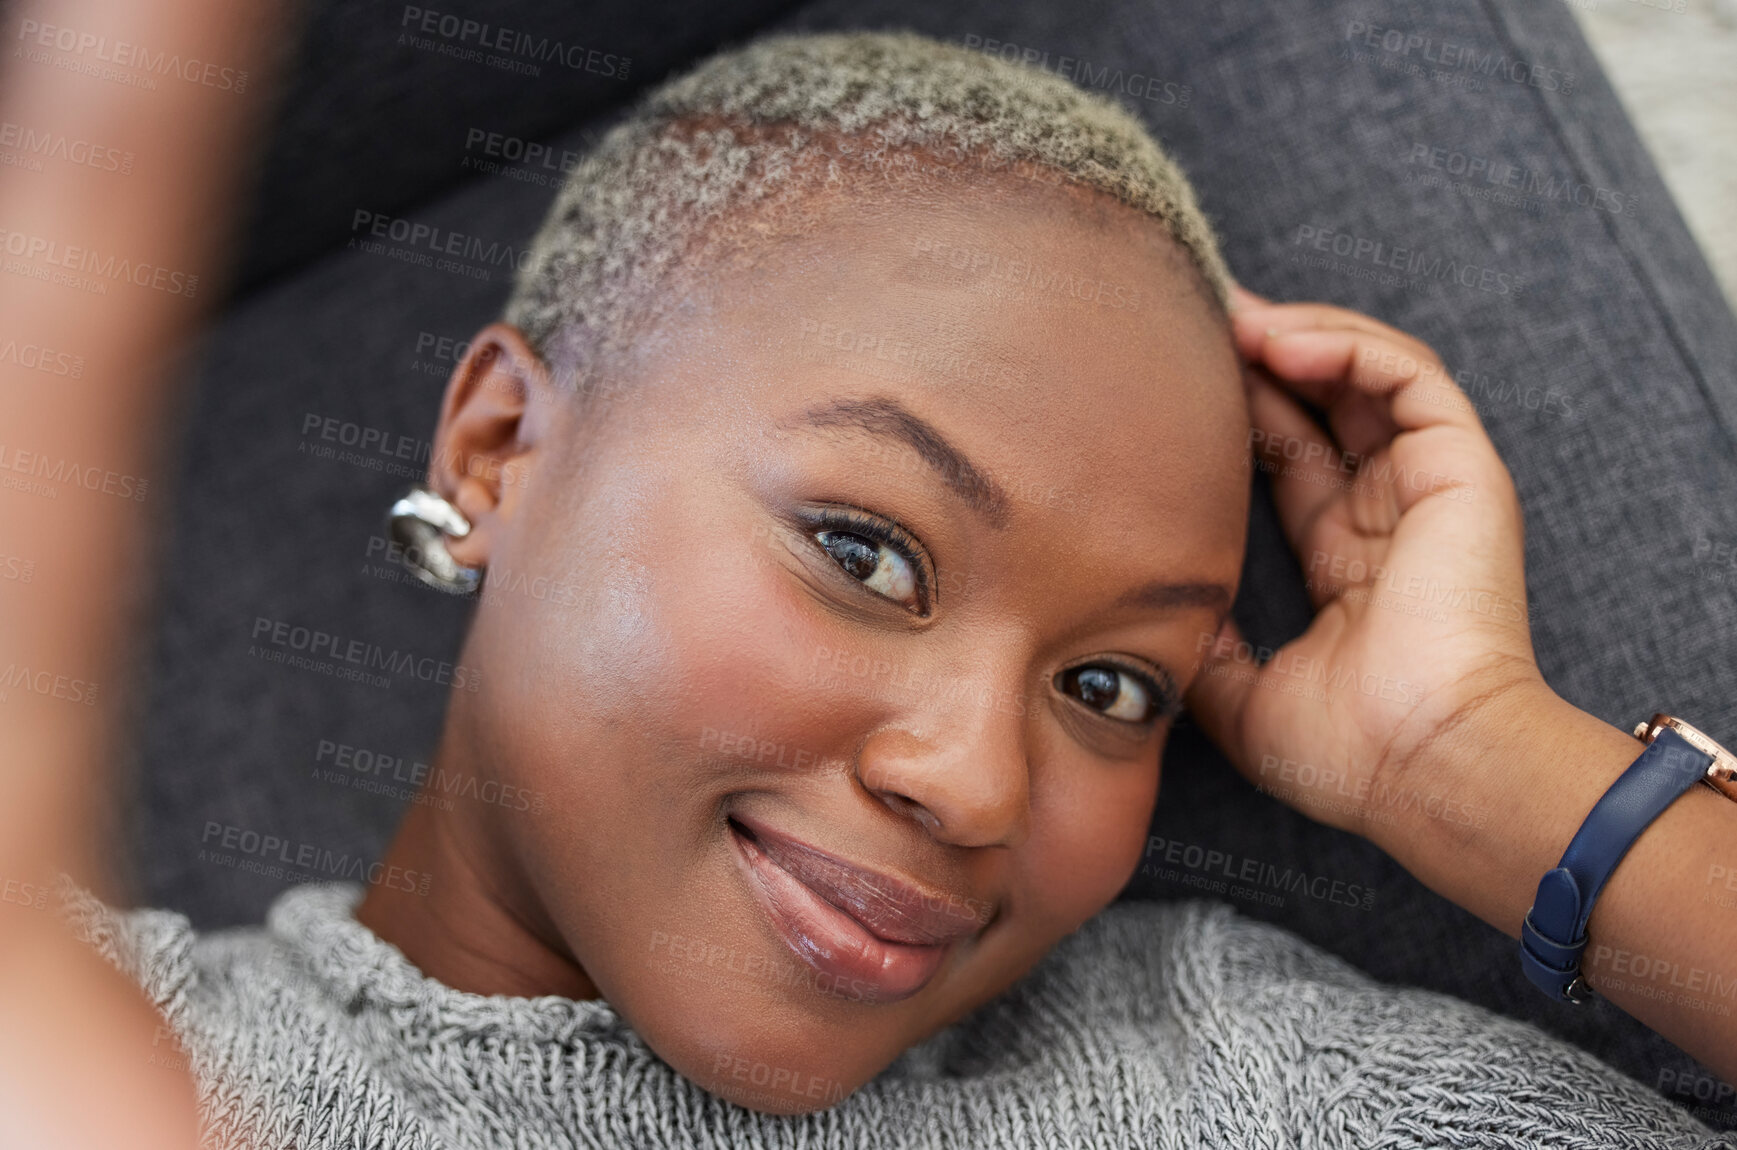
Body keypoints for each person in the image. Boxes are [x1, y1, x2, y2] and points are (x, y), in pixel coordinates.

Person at [44, 27, 1737, 1149]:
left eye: (1110, 687)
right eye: (866, 553)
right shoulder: (125, 1065)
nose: (977, 781)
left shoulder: (1236, 1078)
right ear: (497, 451)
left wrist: (1473, 754)